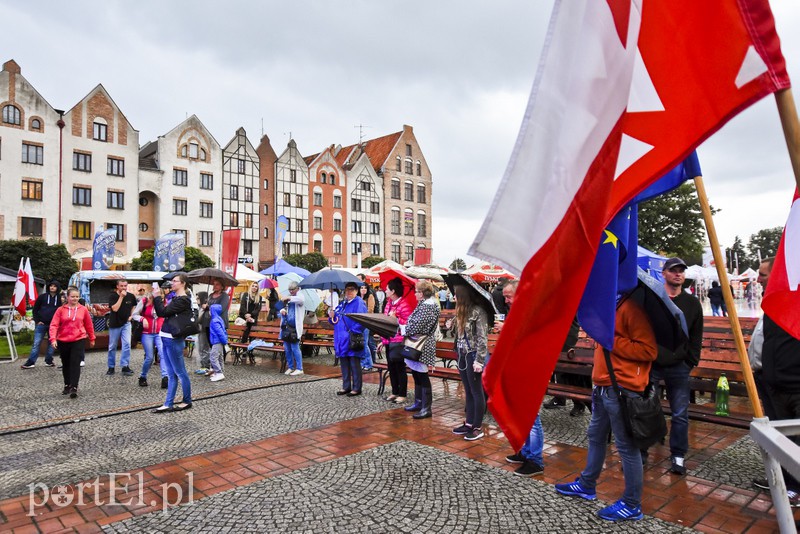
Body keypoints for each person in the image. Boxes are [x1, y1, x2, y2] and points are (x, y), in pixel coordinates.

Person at [555, 292, 657, 522]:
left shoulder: (631, 308)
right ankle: (587, 484)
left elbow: (649, 350)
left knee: (626, 446)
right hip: (603, 386)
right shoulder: (613, 306)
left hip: (621, 387)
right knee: (595, 436)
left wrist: (609, 338)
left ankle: (632, 504)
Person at [642, 257, 703, 475]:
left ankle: (678, 455)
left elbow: (696, 335)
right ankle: (642, 451)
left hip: (679, 366)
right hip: (654, 362)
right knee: (647, 408)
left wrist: (690, 361)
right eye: (673, 270)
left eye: (681, 271)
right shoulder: (655, 299)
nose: (678, 274)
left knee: (679, 413)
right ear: (664, 274)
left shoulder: (692, 303)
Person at [760, 255, 800, 507]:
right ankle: (787, 485)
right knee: (781, 440)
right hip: (774, 385)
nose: (759, 278)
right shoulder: (771, 303)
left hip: (797, 386)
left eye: (764, 274)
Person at [500, 280, 545, 476]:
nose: (506, 301)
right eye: (505, 297)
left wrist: (507, 329)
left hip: (532, 369)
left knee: (532, 417)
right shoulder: (520, 311)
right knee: (523, 415)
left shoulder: (531, 311)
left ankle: (536, 460)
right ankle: (526, 452)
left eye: (509, 296)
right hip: (520, 367)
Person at [451, 283, 491, 441]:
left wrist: (479, 361)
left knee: (476, 391)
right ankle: (469, 423)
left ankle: (477, 426)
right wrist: (453, 325)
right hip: (461, 354)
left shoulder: (478, 311)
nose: (454, 297)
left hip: (473, 355)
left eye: (456, 294)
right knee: (468, 390)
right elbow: (458, 335)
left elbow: (483, 339)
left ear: (463, 296)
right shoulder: (461, 311)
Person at [152, 274, 194, 413]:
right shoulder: (176, 298)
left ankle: (187, 400)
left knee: (180, 372)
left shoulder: (183, 300)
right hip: (166, 336)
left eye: (175, 281)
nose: (172, 283)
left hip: (173, 338)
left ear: (182, 283)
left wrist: (157, 297)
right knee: (171, 373)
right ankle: (168, 403)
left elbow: (162, 312)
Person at [402, 280, 440, 419]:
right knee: (417, 373)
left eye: (417, 291)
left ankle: (426, 407)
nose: (415, 293)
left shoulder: (428, 306)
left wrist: (403, 328)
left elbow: (417, 326)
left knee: (423, 375)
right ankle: (419, 402)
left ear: (423, 293)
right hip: (417, 342)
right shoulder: (424, 304)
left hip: (422, 344)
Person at [49, 286, 95, 398]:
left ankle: (74, 386)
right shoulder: (60, 310)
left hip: (78, 339)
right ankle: (67, 384)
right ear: (67, 297)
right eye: (72, 296)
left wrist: (92, 337)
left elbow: (89, 325)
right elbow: (54, 325)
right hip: (63, 340)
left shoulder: (83, 310)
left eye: (77, 297)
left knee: (75, 363)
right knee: (66, 364)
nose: (75, 299)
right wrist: (53, 339)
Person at [329, 282, 367, 396]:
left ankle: (356, 387)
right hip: (341, 339)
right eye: (347, 290)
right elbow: (335, 319)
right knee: (344, 363)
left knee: (354, 364)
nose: (348, 292)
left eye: (351, 290)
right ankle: (346, 386)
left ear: (356, 291)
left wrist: (352, 331)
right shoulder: (343, 303)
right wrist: (332, 317)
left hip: (351, 338)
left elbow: (362, 320)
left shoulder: (359, 303)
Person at [381, 278, 414, 403]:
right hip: (389, 339)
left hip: (399, 341)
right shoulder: (389, 303)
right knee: (391, 367)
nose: (385, 290)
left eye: (387, 289)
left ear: (393, 291)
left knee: (399, 367)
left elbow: (407, 324)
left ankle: (402, 393)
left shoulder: (404, 305)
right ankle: (394, 391)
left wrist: (396, 319)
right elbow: (385, 321)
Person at [21, 279, 61, 369]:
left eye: (54, 286)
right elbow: (35, 309)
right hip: (41, 324)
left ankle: (49, 361)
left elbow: (61, 311)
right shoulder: (42, 297)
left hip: (53, 325)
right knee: (36, 343)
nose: (52, 287)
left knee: (52, 344)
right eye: (51, 285)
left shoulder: (59, 298)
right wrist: (37, 320)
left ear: (57, 287)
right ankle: (31, 362)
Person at [132, 292, 167, 388]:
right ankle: (142, 376)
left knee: (163, 354)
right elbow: (134, 314)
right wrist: (142, 319)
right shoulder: (144, 301)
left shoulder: (164, 302)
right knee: (149, 357)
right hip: (147, 333)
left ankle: (165, 377)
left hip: (159, 333)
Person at [197, 279, 230, 372]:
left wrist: (208, 307)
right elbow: (208, 305)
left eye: (217, 284)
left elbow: (221, 308)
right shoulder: (211, 295)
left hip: (218, 323)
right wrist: (205, 305)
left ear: (222, 286)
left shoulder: (224, 296)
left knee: (218, 345)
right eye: (214, 284)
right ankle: (213, 365)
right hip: (208, 322)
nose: (215, 286)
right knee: (211, 344)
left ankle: (219, 367)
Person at [107, 279, 137, 376]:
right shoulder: (112, 296)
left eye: (125, 285)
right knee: (112, 346)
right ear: (117, 286)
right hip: (115, 324)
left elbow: (133, 306)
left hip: (126, 324)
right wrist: (121, 297)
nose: (124, 287)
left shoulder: (131, 296)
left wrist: (131, 316)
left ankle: (125, 366)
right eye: (122, 286)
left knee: (127, 344)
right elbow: (115, 309)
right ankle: (111, 366)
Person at [280, 281, 306, 376]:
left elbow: (301, 300)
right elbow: (279, 307)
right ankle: (290, 367)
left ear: (297, 289)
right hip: (286, 326)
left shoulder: (300, 296)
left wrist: (289, 297)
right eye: (289, 290)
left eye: (292, 290)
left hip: (295, 328)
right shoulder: (287, 297)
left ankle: (299, 368)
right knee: (287, 348)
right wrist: (282, 310)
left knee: (295, 348)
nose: (291, 291)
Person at [358, 283, 376, 371]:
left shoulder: (370, 297)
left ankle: (368, 363)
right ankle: (362, 362)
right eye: (361, 288)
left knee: (365, 343)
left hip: (366, 322)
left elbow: (370, 309)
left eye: (365, 288)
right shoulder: (357, 298)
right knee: (361, 343)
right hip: (358, 323)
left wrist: (360, 312)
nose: (363, 289)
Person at [208, 303, 228, 382]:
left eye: (210, 310)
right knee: (220, 357)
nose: (209, 312)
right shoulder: (219, 319)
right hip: (219, 342)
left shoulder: (214, 321)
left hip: (217, 341)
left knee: (213, 357)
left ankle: (219, 373)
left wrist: (224, 341)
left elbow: (220, 332)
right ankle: (220, 372)